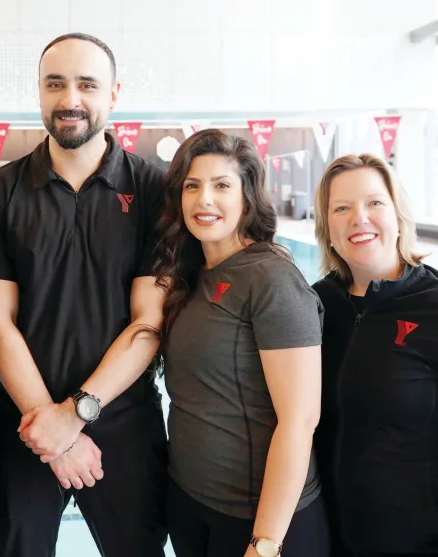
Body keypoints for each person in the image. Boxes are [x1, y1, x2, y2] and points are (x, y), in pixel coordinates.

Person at [0, 32, 168, 557]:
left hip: (123, 418)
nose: (70, 99)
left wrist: (75, 415)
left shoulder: (153, 190)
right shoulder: (0, 191)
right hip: (24, 419)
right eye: (55, 84)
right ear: (39, 92)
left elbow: (148, 321)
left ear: (113, 94)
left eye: (87, 84)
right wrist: (48, 424)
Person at [311, 153, 438, 557]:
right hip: (332, 541)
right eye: (342, 207)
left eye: (374, 202)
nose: (360, 217)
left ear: (398, 214)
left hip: (429, 543)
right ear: (327, 227)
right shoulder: (317, 306)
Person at [151, 129, 330, 557]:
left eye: (221, 185)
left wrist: (265, 543)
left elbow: (300, 420)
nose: (204, 200)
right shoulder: (192, 275)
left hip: (258, 521)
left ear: (247, 199)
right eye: (191, 186)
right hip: (193, 503)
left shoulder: (271, 279)